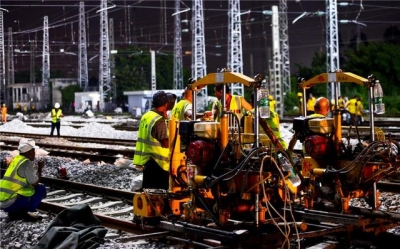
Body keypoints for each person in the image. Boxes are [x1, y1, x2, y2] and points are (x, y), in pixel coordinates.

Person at [0, 138, 47, 221]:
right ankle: (21, 213)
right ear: (28, 153)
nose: (34, 154)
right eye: (33, 151)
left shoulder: (16, 160)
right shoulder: (26, 163)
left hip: (3, 202)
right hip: (10, 204)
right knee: (41, 189)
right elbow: (35, 183)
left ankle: (15, 213)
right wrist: (40, 169)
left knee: (28, 189)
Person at [133, 91, 170, 190]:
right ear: (165, 104)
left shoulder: (146, 116)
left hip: (147, 159)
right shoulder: (159, 120)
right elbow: (165, 143)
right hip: (159, 162)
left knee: (149, 191)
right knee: (159, 193)